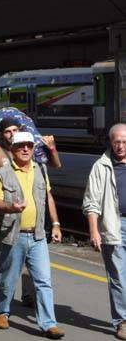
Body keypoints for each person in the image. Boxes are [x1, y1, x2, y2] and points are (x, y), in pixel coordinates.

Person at [0, 131, 64, 339]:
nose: (25, 149)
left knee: (43, 280)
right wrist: (10, 207)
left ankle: (48, 324)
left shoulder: (40, 168)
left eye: (29, 146)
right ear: (13, 149)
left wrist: (56, 224)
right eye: (21, 146)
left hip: (38, 235)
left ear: (33, 149)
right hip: (14, 235)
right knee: (8, 278)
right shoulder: (3, 172)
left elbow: (48, 197)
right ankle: (2, 312)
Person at [0, 117, 61, 301]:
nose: (12, 134)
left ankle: (28, 294)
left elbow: (56, 165)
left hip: (29, 216)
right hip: (5, 209)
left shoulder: (27, 148)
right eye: (7, 131)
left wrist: (51, 148)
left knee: (29, 253)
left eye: (14, 130)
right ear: (1, 135)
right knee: (0, 252)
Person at [83, 123, 126, 340]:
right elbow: (91, 203)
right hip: (113, 226)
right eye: (117, 141)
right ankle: (122, 321)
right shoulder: (101, 166)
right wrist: (94, 231)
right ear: (110, 142)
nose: (120, 146)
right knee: (118, 277)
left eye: (124, 142)